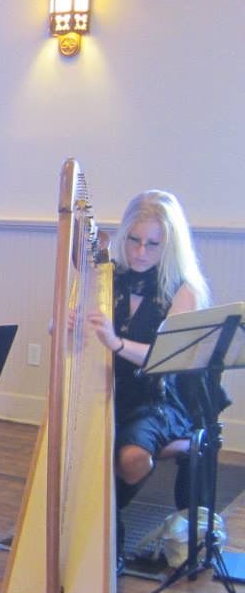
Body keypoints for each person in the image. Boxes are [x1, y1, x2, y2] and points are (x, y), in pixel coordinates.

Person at [84, 190, 212, 571]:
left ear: (170, 245)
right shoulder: (108, 279)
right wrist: (64, 325)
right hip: (108, 390)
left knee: (132, 456)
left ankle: (105, 519)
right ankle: (103, 529)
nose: (141, 252)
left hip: (159, 397)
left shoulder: (183, 291)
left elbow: (167, 358)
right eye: (134, 240)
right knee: (78, 443)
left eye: (153, 244)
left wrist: (117, 343)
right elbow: (75, 331)